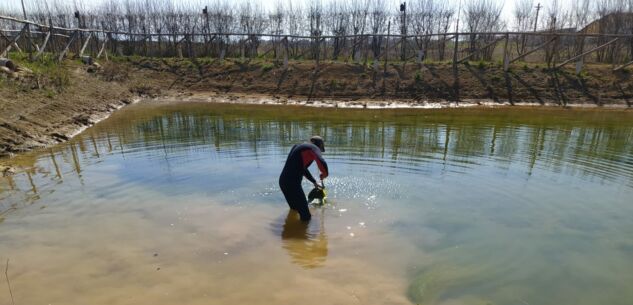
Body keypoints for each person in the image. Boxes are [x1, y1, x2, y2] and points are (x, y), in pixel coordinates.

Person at [279, 136, 329, 221]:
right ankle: (301, 233)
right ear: (318, 146)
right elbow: (322, 162)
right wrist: (324, 174)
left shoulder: (297, 147)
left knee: (294, 210)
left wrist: (314, 182)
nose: (319, 151)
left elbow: (303, 169)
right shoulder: (313, 148)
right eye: (320, 149)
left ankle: (290, 232)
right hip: (293, 185)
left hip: (283, 182)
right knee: (306, 217)